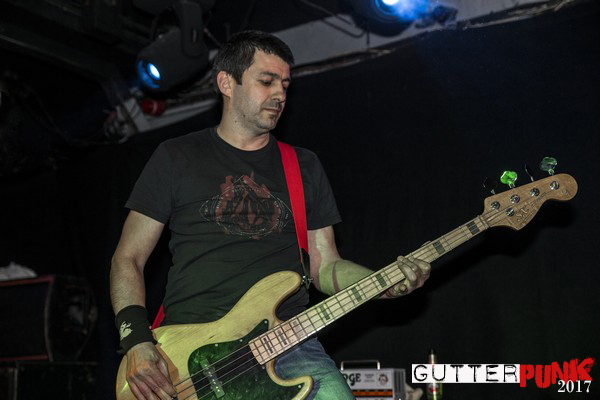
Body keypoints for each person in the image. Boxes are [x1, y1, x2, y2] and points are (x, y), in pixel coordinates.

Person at [110, 30, 431, 400]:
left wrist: (381, 282)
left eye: (285, 84)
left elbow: (325, 265)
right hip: (190, 352)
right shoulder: (176, 156)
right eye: (266, 81)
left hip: (287, 345)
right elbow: (128, 257)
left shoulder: (303, 166)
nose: (280, 94)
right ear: (226, 83)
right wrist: (136, 341)